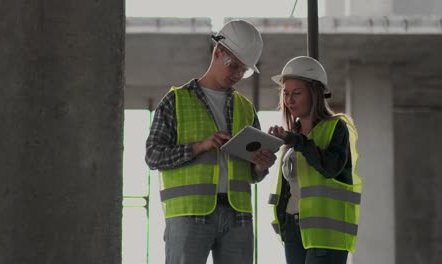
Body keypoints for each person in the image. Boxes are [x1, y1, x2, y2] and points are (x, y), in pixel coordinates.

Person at [145, 19, 277, 264]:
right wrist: (200, 147)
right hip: (188, 213)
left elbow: (252, 173)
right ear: (217, 53)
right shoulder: (175, 101)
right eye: (233, 66)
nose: (237, 75)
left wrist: (261, 165)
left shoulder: (245, 108)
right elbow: (153, 156)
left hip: (238, 214)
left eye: (244, 70)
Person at [267, 56, 363, 264]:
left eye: (297, 93)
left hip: (326, 235)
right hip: (293, 230)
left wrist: (298, 141)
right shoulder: (293, 137)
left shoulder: (336, 128)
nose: (289, 100)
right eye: (286, 94)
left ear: (315, 93)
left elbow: (330, 167)